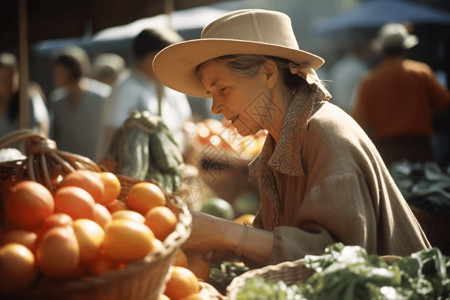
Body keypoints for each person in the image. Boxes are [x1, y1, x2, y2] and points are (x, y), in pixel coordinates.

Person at [153, 9, 430, 267]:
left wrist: (225, 231)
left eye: (222, 88)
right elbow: (276, 238)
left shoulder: (326, 134)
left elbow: (342, 257)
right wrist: (213, 240)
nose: (215, 108)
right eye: (211, 94)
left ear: (269, 73)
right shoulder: (279, 142)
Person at [352, 23, 450, 166]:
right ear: (405, 48)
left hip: (387, 151)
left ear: (382, 50)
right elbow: (443, 104)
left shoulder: (369, 80)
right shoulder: (421, 72)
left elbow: (360, 120)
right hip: (420, 147)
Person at [97, 28, 192, 161]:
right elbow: (115, 132)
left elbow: (185, 121)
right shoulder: (126, 87)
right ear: (148, 58)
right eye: (167, 55)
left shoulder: (170, 86)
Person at [49, 46, 111, 161]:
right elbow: (53, 136)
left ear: (72, 69)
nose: (55, 75)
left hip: (97, 164)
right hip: (66, 165)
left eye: (59, 71)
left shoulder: (103, 96)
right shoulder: (57, 101)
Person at [0, 52, 49, 137]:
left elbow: (41, 128)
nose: (8, 84)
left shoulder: (29, 99)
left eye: (10, 78)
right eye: (3, 80)